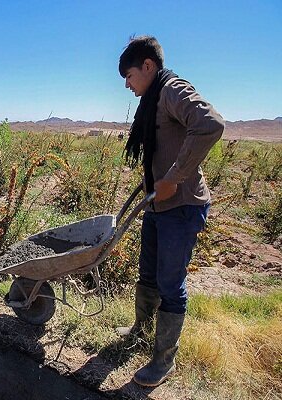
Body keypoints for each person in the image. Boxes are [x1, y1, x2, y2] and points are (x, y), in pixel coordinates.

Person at [116, 36, 224, 387]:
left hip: (181, 206)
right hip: (158, 204)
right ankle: (140, 330)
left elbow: (210, 124)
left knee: (169, 283)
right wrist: (153, 182)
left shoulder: (172, 89)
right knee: (148, 273)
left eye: (129, 77)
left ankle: (163, 361)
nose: (128, 86)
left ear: (148, 66)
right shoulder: (152, 99)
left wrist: (174, 178)